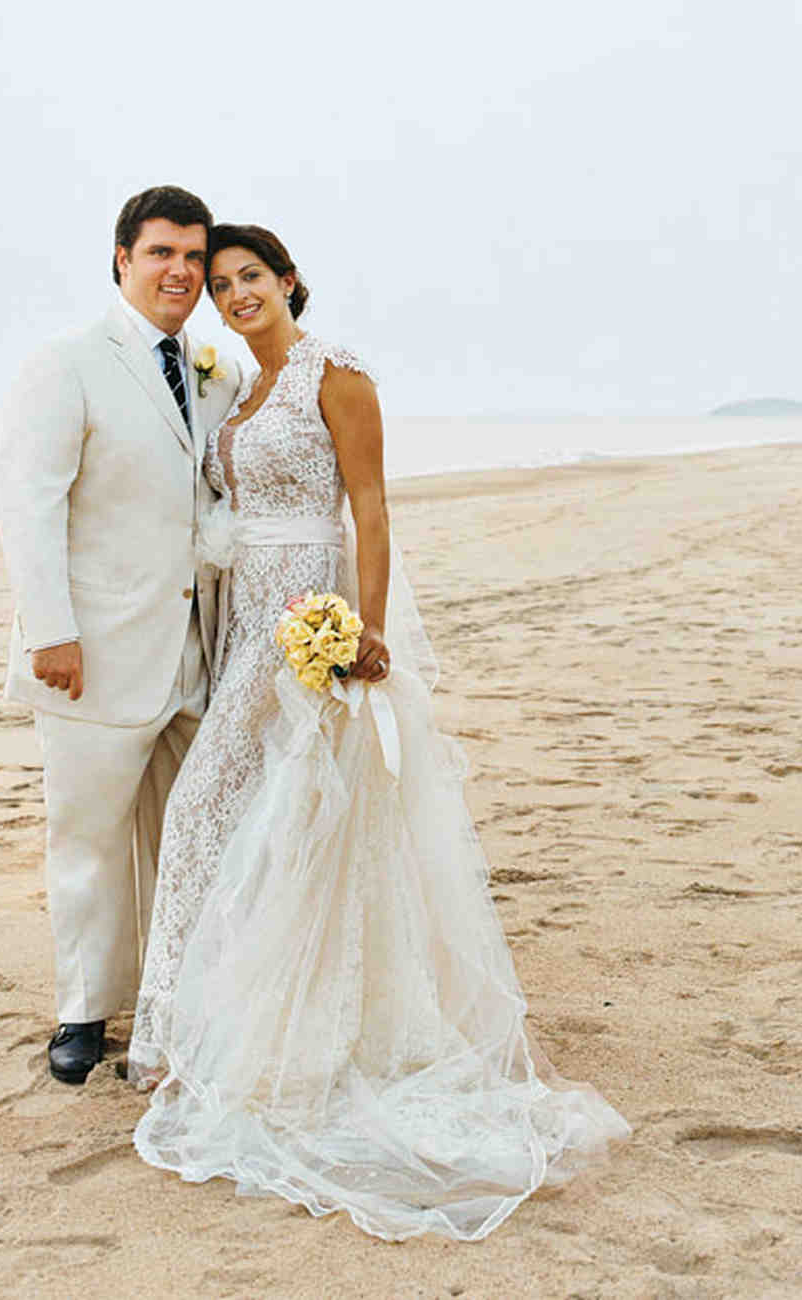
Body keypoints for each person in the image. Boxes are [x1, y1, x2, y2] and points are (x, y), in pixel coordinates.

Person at [128, 224, 630, 1240]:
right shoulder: (245, 389)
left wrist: (360, 624)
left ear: (289, 280)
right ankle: (207, 1030)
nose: (233, 294)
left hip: (311, 621)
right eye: (220, 284)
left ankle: (209, 1039)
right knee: (240, 819)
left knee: (273, 816)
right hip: (245, 628)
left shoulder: (333, 374)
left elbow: (368, 503)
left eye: (249, 277)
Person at [0, 186, 241, 1084]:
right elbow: (29, 505)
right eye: (161, 253)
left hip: (195, 649)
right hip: (88, 656)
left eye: (192, 257)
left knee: (195, 834)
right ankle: (84, 1013)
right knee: (89, 839)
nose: (179, 271)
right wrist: (50, 632)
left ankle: (182, 1000)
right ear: (121, 260)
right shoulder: (65, 364)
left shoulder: (213, 368)